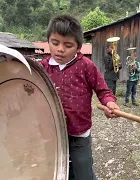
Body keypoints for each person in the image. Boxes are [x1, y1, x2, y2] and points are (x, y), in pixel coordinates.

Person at [39, 14, 120, 180]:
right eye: (55, 43)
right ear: (48, 41)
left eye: (68, 45)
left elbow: (103, 91)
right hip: (52, 132)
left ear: (78, 47)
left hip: (79, 132)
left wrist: (110, 103)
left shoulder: (86, 66)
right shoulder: (42, 68)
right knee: (60, 170)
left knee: (84, 172)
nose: (60, 49)